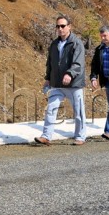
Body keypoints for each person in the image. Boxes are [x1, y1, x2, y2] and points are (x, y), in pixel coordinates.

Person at [35, 15, 87, 146]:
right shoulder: (54, 44)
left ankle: (80, 136)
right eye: (57, 26)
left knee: (78, 111)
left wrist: (70, 73)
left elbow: (78, 63)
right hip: (57, 83)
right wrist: (48, 78)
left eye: (63, 26)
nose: (60, 29)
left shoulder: (77, 43)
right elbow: (50, 63)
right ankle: (46, 136)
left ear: (69, 27)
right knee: (51, 109)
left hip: (74, 84)